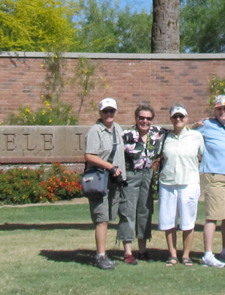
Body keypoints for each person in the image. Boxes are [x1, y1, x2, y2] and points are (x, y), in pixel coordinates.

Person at [192, 94, 225, 267]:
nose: (223, 111)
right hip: (214, 174)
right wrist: (193, 125)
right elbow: (189, 135)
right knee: (213, 216)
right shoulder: (206, 126)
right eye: (220, 108)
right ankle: (207, 254)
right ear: (215, 109)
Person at [118, 103, 167, 264]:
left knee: (145, 212)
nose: (145, 121)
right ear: (136, 118)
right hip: (131, 175)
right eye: (141, 118)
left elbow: (178, 131)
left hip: (148, 175)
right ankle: (128, 252)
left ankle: (143, 250)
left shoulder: (158, 133)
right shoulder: (126, 135)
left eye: (148, 118)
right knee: (128, 211)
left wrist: (197, 124)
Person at [157, 103, 204, 267]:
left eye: (181, 116)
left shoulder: (196, 136)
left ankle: (186, 255)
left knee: (188, 221)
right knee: (168, 221)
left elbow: (205, 155)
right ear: (171, 118)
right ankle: (172, 254)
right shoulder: (164, 137)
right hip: (167, 183)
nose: (178, 119)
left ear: (186, 118)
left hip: (189, 183)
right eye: (175, 116)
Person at [83, 98, 128, 270]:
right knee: (101, 218)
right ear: (100, 113)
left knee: (108, 217)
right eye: (106, 111)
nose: (109, 114)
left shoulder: (117, 129)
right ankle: (100, 255)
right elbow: (89, 155)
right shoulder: (96, 131)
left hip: (114, 180)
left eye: (112, 111)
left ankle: (104, 254)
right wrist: (110, 166)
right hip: (100, 179)